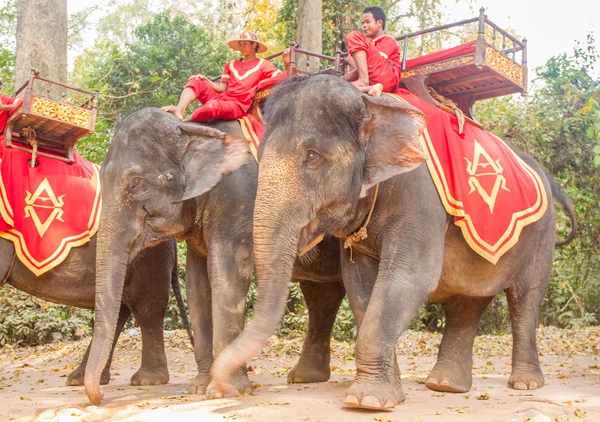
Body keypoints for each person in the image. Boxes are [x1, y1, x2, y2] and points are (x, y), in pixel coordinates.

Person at [162, 30, 289, 122]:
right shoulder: (231, 64)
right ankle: (179, 110)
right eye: (240, 43)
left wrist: (287, 64)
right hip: (222, 97)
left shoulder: (263, 65)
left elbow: (281, 78)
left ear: (254, 45)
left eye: (245, 43)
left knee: (212, 107)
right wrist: (206, 81)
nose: (241, 46)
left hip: (237, 105)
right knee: (196, 80)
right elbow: (222, 88)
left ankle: (184, 124)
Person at [342, 6, 401, 97]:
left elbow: (374, 66)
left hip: (387, 77)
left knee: (354, 35)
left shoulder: (388, 39)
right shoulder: (369, 45)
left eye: (368, 22)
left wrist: (344, 78)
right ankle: (369, 88)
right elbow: (366, 68)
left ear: (379, 22)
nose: (364, 26)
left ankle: (363, 81)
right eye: (363, 23)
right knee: (345, 86)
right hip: (373, 80)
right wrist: (341, 79)